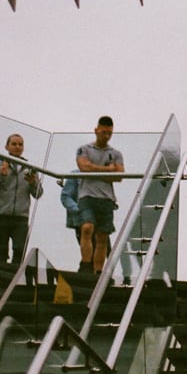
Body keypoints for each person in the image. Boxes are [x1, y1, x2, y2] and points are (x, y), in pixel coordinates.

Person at [0, 133, 44, 265]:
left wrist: (33, 182)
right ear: (7, 146)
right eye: (14, 144)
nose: (17, 147)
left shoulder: (30, 168)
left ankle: (15, 281)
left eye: (20, 144)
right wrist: (0, 176)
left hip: (20, 217)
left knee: (19, 252)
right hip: (0, 215)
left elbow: (38, 194)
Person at [76, 115, 125, 276]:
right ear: (96, 130)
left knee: (103, 236)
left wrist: (95, 170)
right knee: (87, 227)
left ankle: (98, 271)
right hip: (87, 196)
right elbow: (84, 167)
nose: (106, 136)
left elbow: (119, 176)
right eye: (103, 132)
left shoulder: (115, 153)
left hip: (106, 198)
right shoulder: (84, 149)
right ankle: (85, 265)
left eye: (109, 133)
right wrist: (108, 170)